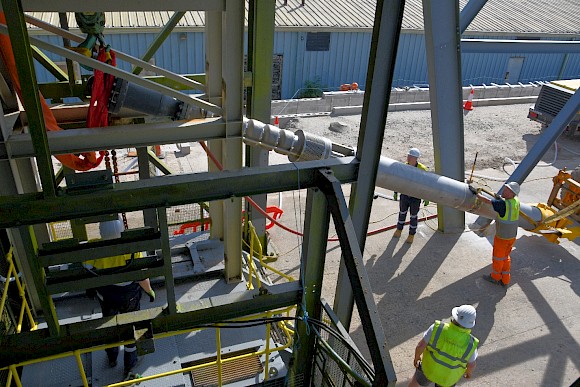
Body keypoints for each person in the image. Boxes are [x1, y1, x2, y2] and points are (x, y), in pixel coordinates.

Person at [84, 218, 155, 376]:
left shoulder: (94, 246)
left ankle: (111, 358)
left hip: (107, 297)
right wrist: (150, 291)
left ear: (101, 231)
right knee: (133, 326)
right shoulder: (131, 248)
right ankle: (130, 364)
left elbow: (87, 268)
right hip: (129, 297)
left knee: (109, 325)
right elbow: (141, 276)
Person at [409, 305, 479, 387]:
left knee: (416, 383)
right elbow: (471, 365)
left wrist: (417, 357)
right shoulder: (471, 344)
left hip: (428, 368)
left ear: (454, 317)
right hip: (448, 378)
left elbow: (420, 346)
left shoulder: (437, 328)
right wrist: (468, 373)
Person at [476, 181, 520, 287]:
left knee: (498, 258)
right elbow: (504, 204)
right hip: (512, 236)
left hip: (502, 237)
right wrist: (499, 198)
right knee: (505, 257)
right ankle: (505, 280)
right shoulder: (515, 201)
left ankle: (495, 277)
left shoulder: (504, 204)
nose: (503, 191)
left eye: (506, 190)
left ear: (511, 193)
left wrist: (476, 194)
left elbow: (488, 201)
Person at [394, 148, 429, 243]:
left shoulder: (422, 169)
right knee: (402, 213)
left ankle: (411, 235)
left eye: (410, 156)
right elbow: (398, 179)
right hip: (405, 195)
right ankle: (399, 229)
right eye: (408, 156)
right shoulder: (404, 166)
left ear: (416, 158)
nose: (408, 157)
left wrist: (426, 197)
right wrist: (396, 191)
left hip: (415, 197)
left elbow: (427, 184)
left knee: (413, 216)